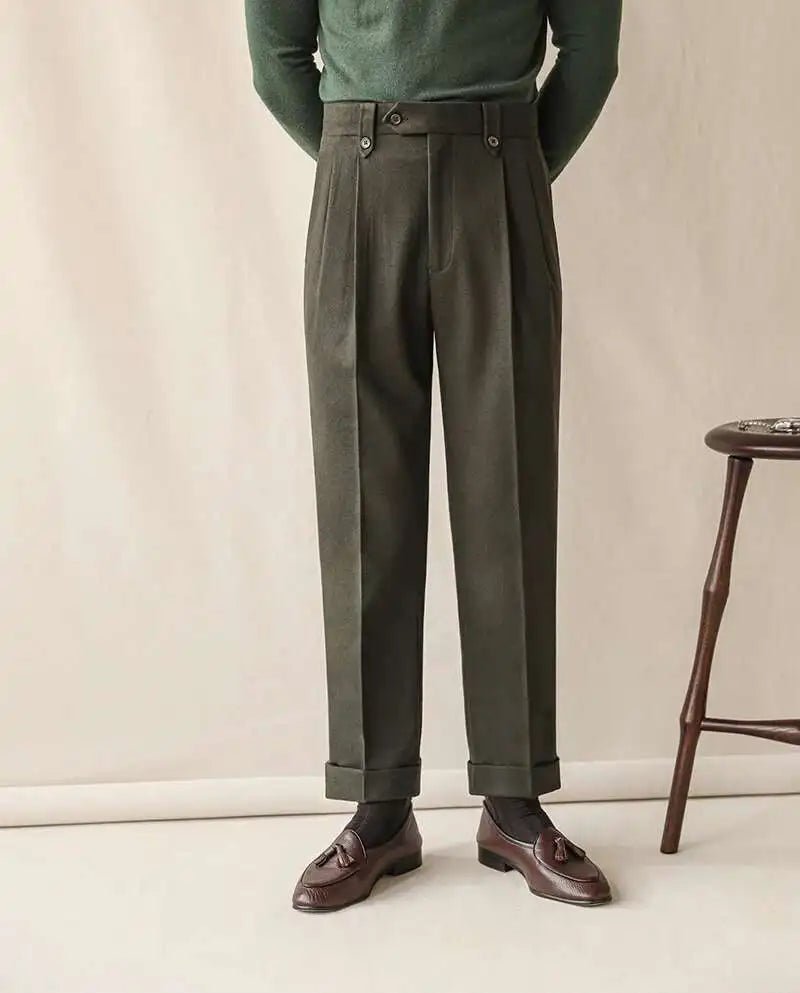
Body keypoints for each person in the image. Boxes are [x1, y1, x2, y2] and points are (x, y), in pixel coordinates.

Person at [245, 0, 622, 912]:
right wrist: (359, 157)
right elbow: (277, 57)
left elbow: (591, 52)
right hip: (359, 170)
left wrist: (512, 166)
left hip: (499, 167)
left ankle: (514, 803)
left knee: (508, 492)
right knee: (362, 501)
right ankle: (379, 808)